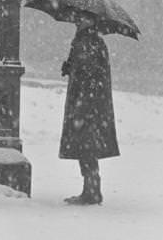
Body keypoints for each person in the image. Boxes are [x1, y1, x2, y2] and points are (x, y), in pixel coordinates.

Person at [59, 11, 120, 205]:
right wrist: (70, 67)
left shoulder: (90, 42)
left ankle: (92, 190)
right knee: (86, 145)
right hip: (88, 103)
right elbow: (86, 70)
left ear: (91, 21)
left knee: (86, 145)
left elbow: (90, 74)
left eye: (81, 19)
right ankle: (91, 188)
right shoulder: (87, 41)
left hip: (87, 104)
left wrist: (76, 69)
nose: (77, 21)